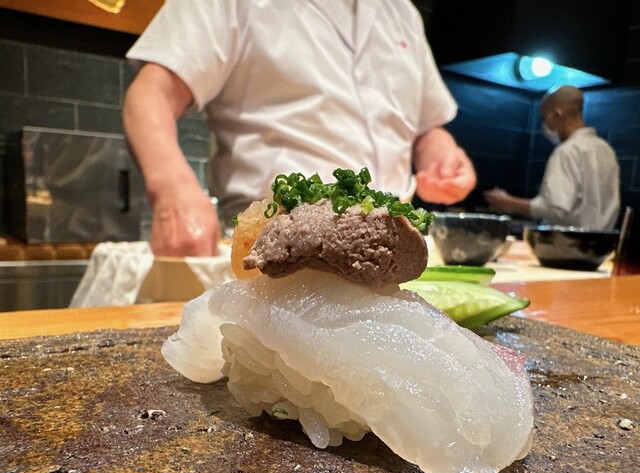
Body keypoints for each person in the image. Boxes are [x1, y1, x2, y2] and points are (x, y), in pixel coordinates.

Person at [122, 0, 476, 257]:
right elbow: (152, 93)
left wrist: (442, 155)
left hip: (395, 247)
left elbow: (427, 128)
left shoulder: (403, 13)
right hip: (272, 247)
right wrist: (172, 189)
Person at [484, 85, 620, 230]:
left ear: (557, 114)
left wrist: (507, 202)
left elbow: (555, 209)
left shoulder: (567, 151)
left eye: (544, 116)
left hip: (565, 243)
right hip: (603, 242)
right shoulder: (606, 150)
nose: (544, 124)